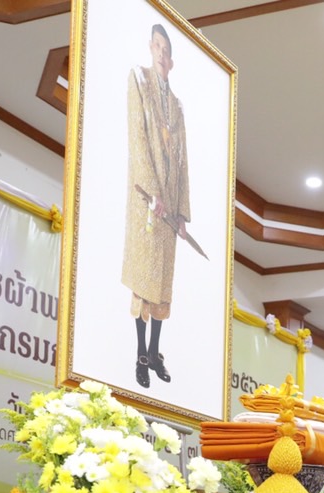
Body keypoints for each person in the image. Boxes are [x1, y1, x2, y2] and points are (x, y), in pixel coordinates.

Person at [123, 23, 189, 390]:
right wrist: (152, 192)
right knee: (143, 280)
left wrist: (181, 212)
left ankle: (154, 351)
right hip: (145, 202)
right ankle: (139, 355)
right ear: (151, 47)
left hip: (169, 211)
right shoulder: (138, 80)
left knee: (163, 284)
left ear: (172, 62)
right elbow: (138, 137)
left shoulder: (176, 105)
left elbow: (183, 162)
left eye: (167, 52)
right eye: (158, 48)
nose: (162, 56)